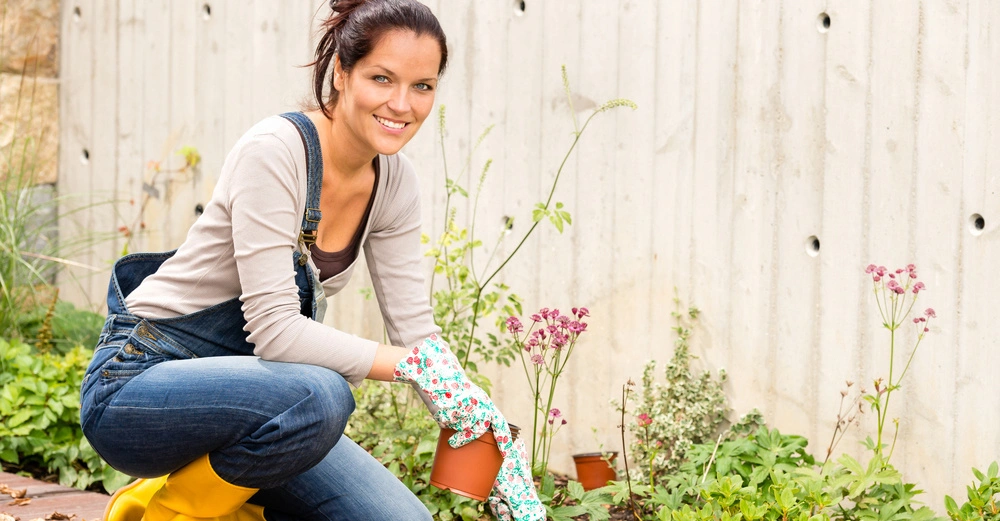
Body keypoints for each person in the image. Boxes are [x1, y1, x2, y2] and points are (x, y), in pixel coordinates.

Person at [79, 1, 544, 519]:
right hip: (140, 385)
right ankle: (160, 512)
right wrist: (417, 370)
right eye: (382, 78)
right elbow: (277, 332)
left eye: (422, 86)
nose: (402, 104)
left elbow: (416, 331)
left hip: (262, 403)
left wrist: (477, 423)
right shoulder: (275, 151)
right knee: (323, 394)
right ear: (341, 73)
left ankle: (227, 503)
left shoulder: (395, 184)